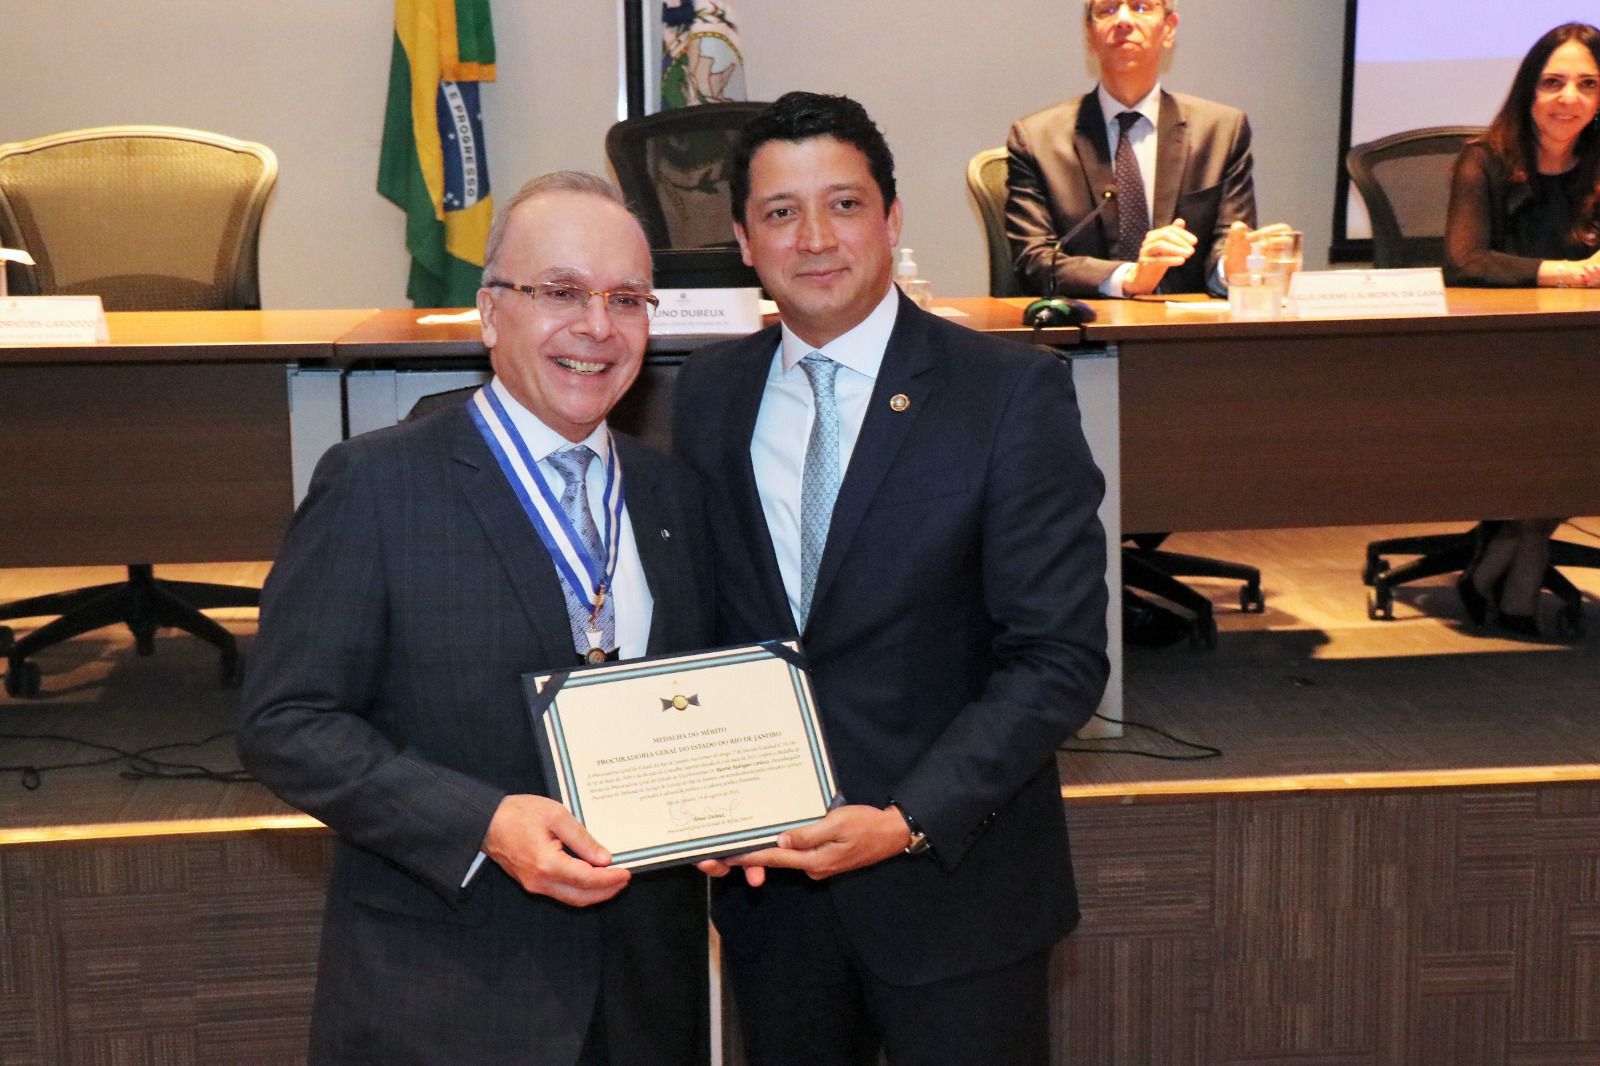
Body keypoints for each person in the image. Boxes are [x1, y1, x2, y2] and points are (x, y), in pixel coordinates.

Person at [237, 172, 714, 1065]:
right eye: (561, 292)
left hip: (647, 993)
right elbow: (286, 724)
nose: (597, 327)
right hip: (448, 991)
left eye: (626, 299)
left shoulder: (672, 495)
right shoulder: (377, 486)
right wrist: (483, 821)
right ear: (492, 313)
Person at [672, 92, 1110, 1065]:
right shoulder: (704, 395)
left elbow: (1059, 658)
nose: (815, 238)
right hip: (771, 896)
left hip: (957, 889)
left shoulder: (1010, 394)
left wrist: (904, 821)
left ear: (893, 219)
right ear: (744, 239)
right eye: (781, 213)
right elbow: (699, 628)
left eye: (845, 204)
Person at [1444, 22, 1600, 635]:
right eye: (1554, 83)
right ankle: (1516, 576)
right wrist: (1572, 275)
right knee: (1566, 435)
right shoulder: (1483, 161)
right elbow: (1464, 262)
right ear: (1528, 92)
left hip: (1582, 352)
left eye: (1588, 84)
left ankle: (1496, 569)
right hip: (1496, 358)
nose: (1570, 99)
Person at [1005, 0, 1268, 298]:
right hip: (1084, 335)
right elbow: (1033, 261)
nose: (1124, 21)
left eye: (1141, 7)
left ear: (1168, 29)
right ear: (1090, 34)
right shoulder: (1037, 140)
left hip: (1188, 334)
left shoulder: (1221, 132)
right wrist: (1129, 278)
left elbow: (1228, 245)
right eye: (1108, 9)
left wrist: (1231, 270)